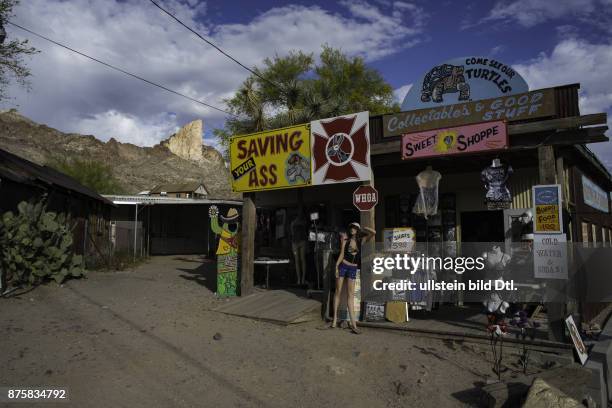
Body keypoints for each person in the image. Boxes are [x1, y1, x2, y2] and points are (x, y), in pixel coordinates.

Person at [331, 222, 375, 334]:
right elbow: (341, 254)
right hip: (343, 266)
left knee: (351, 295)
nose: (352, 230)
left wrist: (365, 227)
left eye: (355, 228)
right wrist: (336, 266)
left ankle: (353, 323)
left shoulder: (361, 241)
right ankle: (335, 319)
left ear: (357, 230)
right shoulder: (345, 240)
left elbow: (373, 233)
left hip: (353, 268)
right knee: (338, 292)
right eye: (351, 228)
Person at [290, 213, 307, 285]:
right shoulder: (293, 222)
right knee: (298, 260)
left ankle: (302, 278)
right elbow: (292, 232)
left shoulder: (302, 222)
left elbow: (292, 232)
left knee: (302, 259)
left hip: (301, 241)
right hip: (295, 242)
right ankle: (299, 279)